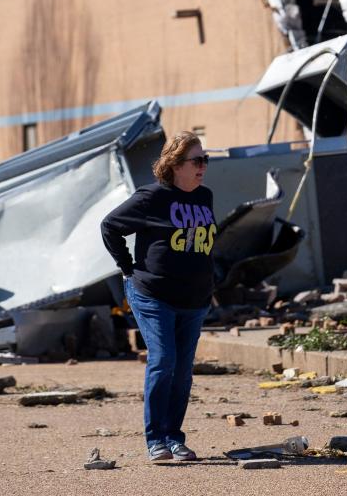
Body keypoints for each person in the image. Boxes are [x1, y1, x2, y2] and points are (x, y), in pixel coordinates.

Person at [100, 131, 216, 462]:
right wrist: (127, 268)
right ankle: (156, 440)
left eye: (205, 160)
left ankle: (174, 437)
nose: (203, 166)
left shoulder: (205, 196)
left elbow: (201, 241)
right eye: (197, 160)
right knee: (163, 360)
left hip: (194, 299)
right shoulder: (151, 197)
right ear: (175, 165)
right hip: (153, 294)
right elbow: (110, 226)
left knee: (182, 371)